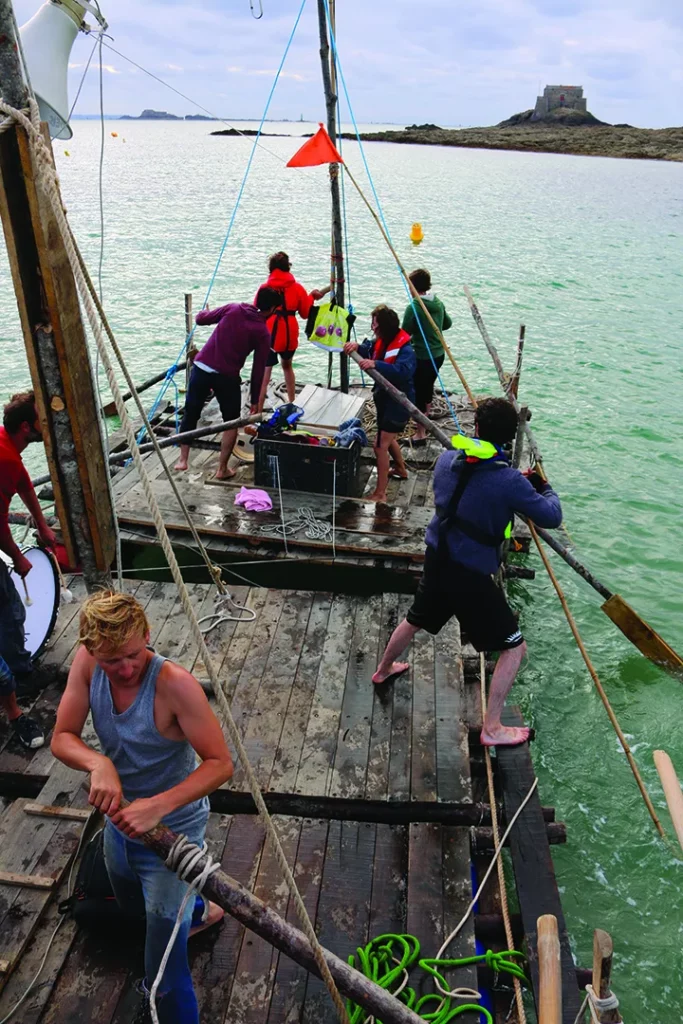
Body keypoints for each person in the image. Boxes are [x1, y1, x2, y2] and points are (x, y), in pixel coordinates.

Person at [51, 591, 234, 1024]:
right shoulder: (87, 664)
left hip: (173, 830)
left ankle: (179, 940)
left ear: (148, 635)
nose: (126, 668)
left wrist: (158, 806)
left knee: (164, 974)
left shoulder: (175, 684)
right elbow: (62, 737)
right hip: (120, 822)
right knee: (129, 900)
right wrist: (98, 763)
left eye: (134, 654)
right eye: (112, 661)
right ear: (91, 651)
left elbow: (221, 764)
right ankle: (199, 912)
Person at [371, 398, 563, 746]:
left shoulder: (446, 460)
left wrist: (513, 483)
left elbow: (476, 483)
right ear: (509, 439)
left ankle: (382, 671)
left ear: (475, 429)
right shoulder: (509, 482)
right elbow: (551, 516)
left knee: (415, 618)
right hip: (470, 574)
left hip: (437, 556)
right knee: (513, 648)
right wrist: (542, 486)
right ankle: (492, 728)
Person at [0, 392, 59, 750]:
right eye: (41, 421)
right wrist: (18, 558)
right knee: (10, 608)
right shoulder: (3, 456)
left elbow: (23, 483)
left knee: (10, 609)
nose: (45, 427)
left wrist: (42, 523)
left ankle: (19, 669)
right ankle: (19, 682)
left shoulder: (7, 445)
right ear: (27, 427)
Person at [173, 287, 281, 478]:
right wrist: (255, 399)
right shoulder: (262, 332)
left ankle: (182, 460)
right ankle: (222, 469)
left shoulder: (233, 308)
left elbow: (200, 319)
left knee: (191, 412)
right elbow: (258, 369)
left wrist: (205, 311)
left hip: (202, 367)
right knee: (231, 422)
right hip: (227, 376)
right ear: (272, 308)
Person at [344, 305, 416, 503]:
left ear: (383, 326)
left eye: (375, 323)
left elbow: (403, 371)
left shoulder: (406, 349)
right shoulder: (381, 341)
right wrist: (357, 347)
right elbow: (369, 349)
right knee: (386, 438)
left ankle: (380, 493)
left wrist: (377, 364)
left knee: (379, 446)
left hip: (398, 403)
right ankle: (400, 469)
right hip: (384, 399)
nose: (372, 327)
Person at [256, 252, 330, 410]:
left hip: (268, 334)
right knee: (287, 366)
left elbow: (257, 308)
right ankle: (292, 402)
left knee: (265, 372)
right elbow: (305, 313)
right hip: (289, 334)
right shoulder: (296, 288)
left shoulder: (265, 287)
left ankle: (257, 410)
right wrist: (311, 297)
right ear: (287, 267)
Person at [402, 268, 452, 444]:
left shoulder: (414, 307)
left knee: (419, 393)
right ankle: (426, 420)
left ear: (413, 286)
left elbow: (404, 333)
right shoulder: (438, 303)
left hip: (423, 356)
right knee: (428, 387)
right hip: (439, 354)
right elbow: (447, 324)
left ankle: (420, 433)